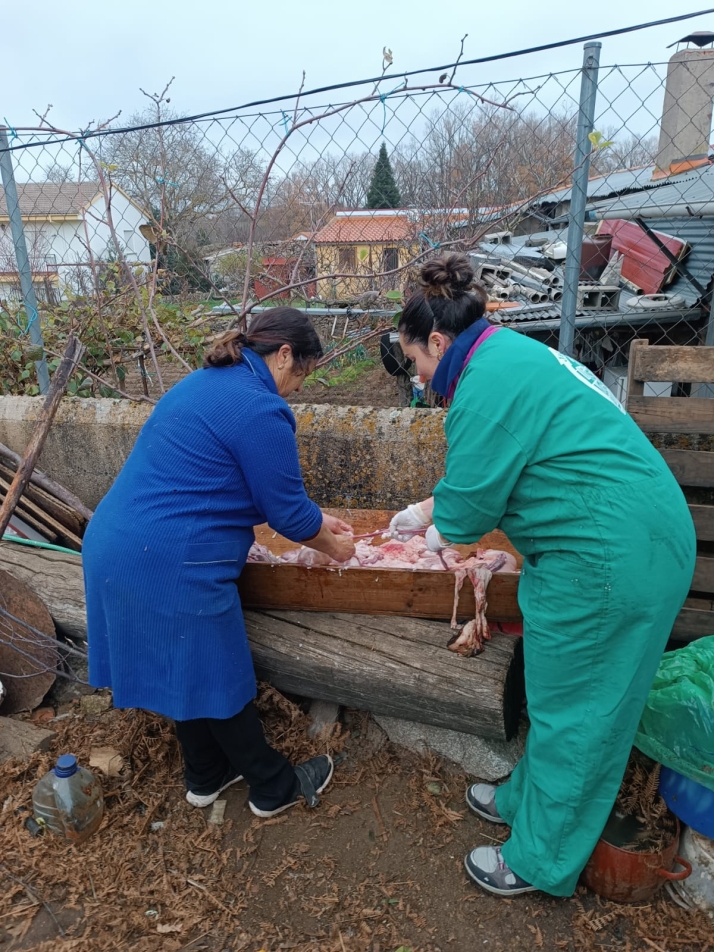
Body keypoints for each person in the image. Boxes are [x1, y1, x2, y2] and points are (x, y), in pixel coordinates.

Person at [389, 253, 695, 898]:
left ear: (438, 342)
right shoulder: (506, 356)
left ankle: (538, 859)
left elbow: (470, 511)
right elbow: (502, 465)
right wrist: (424, 512)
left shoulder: (482, 389)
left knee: (579, 715)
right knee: (559, 700)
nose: (416, 377)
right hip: (623, 541)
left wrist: (435, 522)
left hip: (609, 560)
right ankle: (525, 800)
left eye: (414, 360)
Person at [83, 309, 356, 818]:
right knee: (220, 673)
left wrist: (316, 524)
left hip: (118, 542)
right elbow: (288, 511)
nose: (298, 389)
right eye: (302, 375)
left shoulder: (205, 383)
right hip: (169, 556)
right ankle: (273, 787)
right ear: (283, 356)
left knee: (189, 664)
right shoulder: (259, 407)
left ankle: (206, 775)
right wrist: (332, 544)